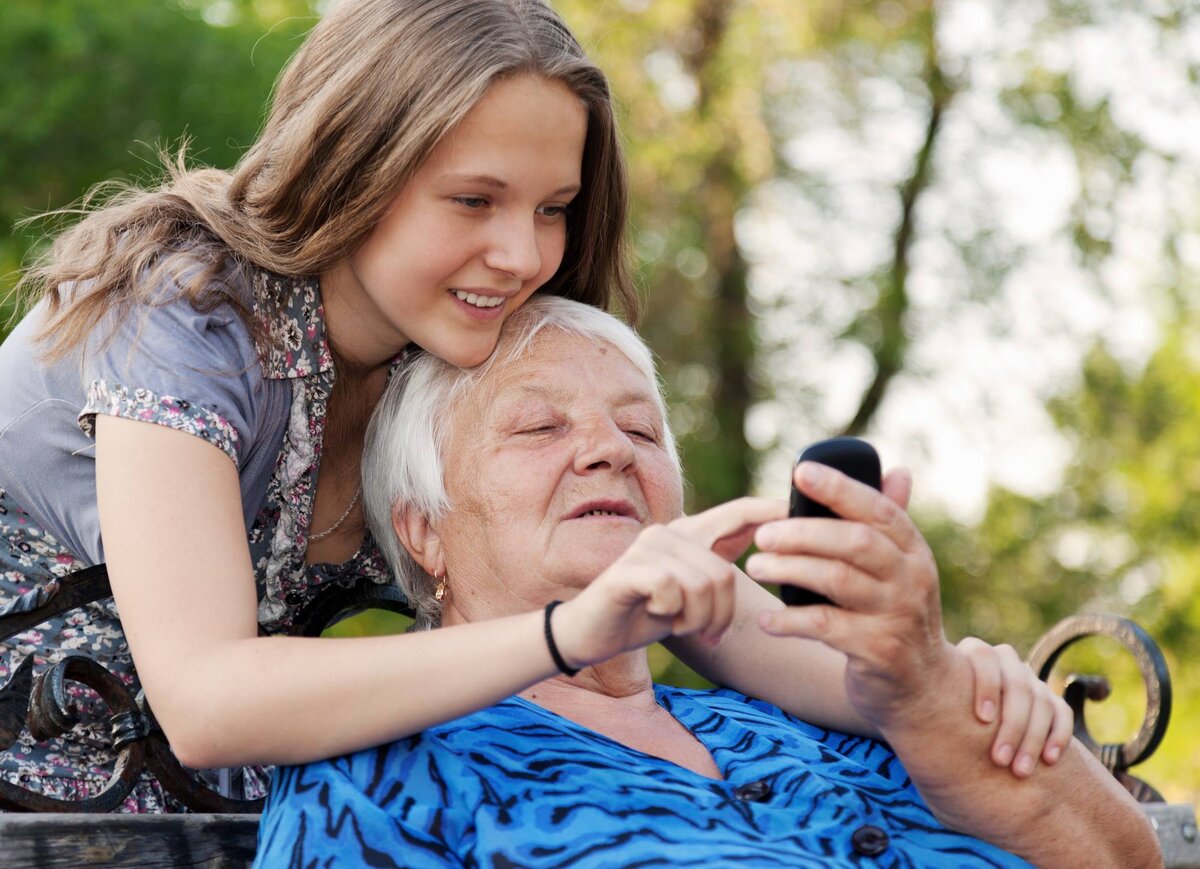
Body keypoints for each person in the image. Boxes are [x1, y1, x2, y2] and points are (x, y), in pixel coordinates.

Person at [0, 0, 1064, 811]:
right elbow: (210, 699)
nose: (521, 255)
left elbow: (705, 610)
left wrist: (929, 675)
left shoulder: (450, 352)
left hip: (203, 817)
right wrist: (564, 632)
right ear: (350, 166)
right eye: (473, 200)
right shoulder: (187, 309)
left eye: (553, 208)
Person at [254, 296, 1159, 868]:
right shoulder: (380, 765)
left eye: (642, 433)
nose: (609, 449)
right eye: (538, 429)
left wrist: (927, 692)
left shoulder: (833, 718)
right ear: (424, 529)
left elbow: (1125, 859)